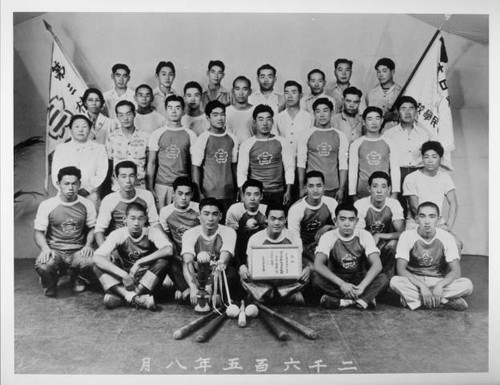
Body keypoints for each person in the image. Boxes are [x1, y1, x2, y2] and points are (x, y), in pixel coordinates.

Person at [389, 202, 473, 311]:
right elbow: (401, 269)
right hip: (414, 280)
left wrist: (440, 286)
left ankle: (416, 301)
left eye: (432, 216)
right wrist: (422, 286)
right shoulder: (406, 236)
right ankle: (444, 301)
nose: (427, 221)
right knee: (394, 282)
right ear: (416, 218)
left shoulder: (447, 237)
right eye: (422, 216)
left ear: (438, 220)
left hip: (438, 279)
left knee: (467, 285)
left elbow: (456, 271)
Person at [93, 202, 174, 311]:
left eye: (140, 218)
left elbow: (168, 250)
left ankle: (124, 297)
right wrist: (124, 275)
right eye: (132, 218)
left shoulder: (151, 232)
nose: (136, 223)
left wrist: (139, 262)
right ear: (124, 219)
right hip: (127, 279)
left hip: (147, 279)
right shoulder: (119, 234)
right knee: (97, 265)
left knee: (164, 262)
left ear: (145, 220)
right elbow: (97, 257)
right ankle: (137, 299)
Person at [34, 166, 97, 297]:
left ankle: (78, 276)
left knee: (93, 262)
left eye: (74, 183)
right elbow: (38, 232)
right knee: (44, 266)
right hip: (55, 251)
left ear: (79, 184)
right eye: (66, 183)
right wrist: (45, 248)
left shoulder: (87, 204)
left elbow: (92, 228)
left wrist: (88, 245)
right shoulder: (47, 205)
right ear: (58, 184)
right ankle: (50, 281)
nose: (70, 188)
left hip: (77, 251)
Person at [313, 203, 389, 310]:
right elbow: (318, 264)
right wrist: (342, 284)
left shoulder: (364, 235)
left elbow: (377, 265)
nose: (347, 224)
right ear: (335, 221)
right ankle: (363, 299)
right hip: (338, 278)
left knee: (383, 279)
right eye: (342, 219)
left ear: (356, 221)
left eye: (351, 219)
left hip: (358, 278)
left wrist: (362, 287)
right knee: (316, 280)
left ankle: (344, 302)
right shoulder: (328, 236)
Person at [239, 203, 308, 304]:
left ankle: (266, 295)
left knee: (306, 275)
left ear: (286, 220)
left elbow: (297, 265)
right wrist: (243, 267)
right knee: (243, 275)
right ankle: (283, 296)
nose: (277, 223)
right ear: (266, 219)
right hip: (264, 282)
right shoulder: (255, 238)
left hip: (284, 282)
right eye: (273, 219)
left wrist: (307, 269)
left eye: (280, 219)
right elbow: (250, 265)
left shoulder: (294, 238)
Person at [181, 198, 238, 307]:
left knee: (232, 273)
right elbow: (187, 262)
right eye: (206, 214)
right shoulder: (189, 233)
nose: (210, 219)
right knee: (176, 266)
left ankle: (188, 294)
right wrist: (193, 287)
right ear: (199, 215)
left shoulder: (229, 232)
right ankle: (192, 291)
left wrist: (214, 289)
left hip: (218, 273)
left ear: (220, 216)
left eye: (215, 214)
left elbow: (223, 261)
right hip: (197, 273)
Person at [383, 96, 433, 217]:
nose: (407, 112)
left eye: (411, 108)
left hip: (418, 173)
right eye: (403, 109)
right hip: (397, 174)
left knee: (419, 208)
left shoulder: (424, 134)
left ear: (416, 111)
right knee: (398, 210)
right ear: (398, 112)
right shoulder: (389, 134)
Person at [237, 104, 295, 206]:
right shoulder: (247, 144)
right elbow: (242, 171)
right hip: (256, 193)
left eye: (268, 119)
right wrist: (242, 193)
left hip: (278, 192)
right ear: (254, 122)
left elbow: (289, 167)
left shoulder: (282, 142)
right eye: (260, 119)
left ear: (272, 122)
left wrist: (289, 190)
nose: (265, 123)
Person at [147, 95, 197, 209]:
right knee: (162, 219)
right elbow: (151, 163)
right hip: (162, 185)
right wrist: (150, 188)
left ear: (183, 111)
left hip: (183, 187)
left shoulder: (191, 134)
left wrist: (193, 188)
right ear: (166, 110)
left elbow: (194, 165)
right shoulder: (157, 134)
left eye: (178, 108)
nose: (174, 111)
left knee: (181, 219)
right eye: (170, 107)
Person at [403, 141, 460, 239]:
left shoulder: (445, 178)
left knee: (457, 244)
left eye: (434, 157)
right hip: (416, 224)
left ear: (440, 159)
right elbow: (414, 207)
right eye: (426, 157)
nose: (430, 160)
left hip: (438, 223)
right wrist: (431, 227)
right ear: (422, 158)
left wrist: (448, 227)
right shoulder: (411, 178)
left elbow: (453, 204)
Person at [95, 161, 159, 246]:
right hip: (119, 243)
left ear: (136, 177)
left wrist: (167, 241)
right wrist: (105, 252)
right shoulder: (109, 199)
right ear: (116, 178)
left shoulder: (147, 195)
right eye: (123, 176)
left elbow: (154, 223)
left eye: (131, 176)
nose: (128, 181)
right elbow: (99, 230)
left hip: (142, 242)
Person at [51, 114, 108, 209]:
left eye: (84, 127)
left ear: (89, 129)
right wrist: (68, 190)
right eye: (77, 126)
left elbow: (102, 172)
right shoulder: (61, 148)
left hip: (90, 195)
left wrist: (88, 189)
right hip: (65, 195)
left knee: (90, 221)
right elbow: (55, 173)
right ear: (71, 130)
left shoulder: (99, 148)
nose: (81, 130)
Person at [191, 100, 238, 215]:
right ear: (208, 118)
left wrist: (237, 189)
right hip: (209, 193)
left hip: (229, 192)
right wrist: (199, 192)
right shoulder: (202, 139)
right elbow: (195, 168)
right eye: (215, 115)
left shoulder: (232, 138)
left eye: (222, 114)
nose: (220, 118)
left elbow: (234, 166)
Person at [297, 98, 348, 201]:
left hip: (333, 187)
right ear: (314, 114)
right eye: (318, 111)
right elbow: (301, 163)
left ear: (332, 112)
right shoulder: (306, 134)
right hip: (312, 187)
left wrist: (341, 188)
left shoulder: (340, 135)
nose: (321, 115)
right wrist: (302, 186)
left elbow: (343, 164)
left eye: (325, 110)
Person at [354, 171, 404, 277]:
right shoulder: (360, 204)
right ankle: (362, 276)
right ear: (369, 189)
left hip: (383, 243)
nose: (379, 191)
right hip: (364, 243)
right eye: (375, 186)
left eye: (383, 186)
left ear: (389, 190)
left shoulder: (394, 204)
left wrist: (380, 235)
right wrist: (371, 242)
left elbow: (401, 233)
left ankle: (387, 279)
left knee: (394, 245)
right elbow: (358, 233)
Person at [159, 177, 200, 300]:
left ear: (192, 194)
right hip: (178, 255)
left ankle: (186, 291)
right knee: (170, 263)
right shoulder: (165, 212)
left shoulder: (198, 209)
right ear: (173, 194)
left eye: (187, 194)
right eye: (180, 193)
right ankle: (185, 290)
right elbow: (166, 236)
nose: (183, 198)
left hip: (197, 255)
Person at [288, 171, 337, 271]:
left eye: (319, 185)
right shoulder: (296, 209)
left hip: (323, 244)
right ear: (306, 188)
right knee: (316, 269)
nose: (315, 190)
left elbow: (341, 228)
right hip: (305, 248)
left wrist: (329, 227)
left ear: (324, 186)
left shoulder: (331, 202)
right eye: (311, 186)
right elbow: (295, 242)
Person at [348, 106, 400, 200]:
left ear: (381, 120)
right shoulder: (356, 144)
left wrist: (395, 192)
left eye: (377, 118)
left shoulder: (390, 142)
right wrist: (353, 194)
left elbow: (395, 169)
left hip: (384, 192)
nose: (374, 122)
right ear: (364, 122)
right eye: (370, 119)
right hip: (363, 192)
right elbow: (353, 171)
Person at [106, 100, 149, 191]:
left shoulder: (145, 137)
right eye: (121, 115)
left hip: (140, 186)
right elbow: (109, 165)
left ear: (134, 114)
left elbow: (150, 165)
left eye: (128, 114)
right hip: (117, 187)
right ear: (117, 116)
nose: (125, 118)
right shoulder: (112, 137)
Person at [225, 179, 267, 268]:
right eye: (248, 194)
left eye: (256, 194)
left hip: (261, 248)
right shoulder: (234, 210)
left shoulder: (266, 211)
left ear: (261, 196)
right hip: (241, 247)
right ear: (243, 196)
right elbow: (231, 238)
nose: (252, 198)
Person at [274, 80, 314, 157]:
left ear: (301, 95)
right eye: (286, 93)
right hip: (283, 161)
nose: (290, 96)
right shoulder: (277, 118)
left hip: (304, 160)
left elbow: (312, 142)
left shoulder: (309, 118)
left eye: (294, 92)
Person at [366, 58, 402, 130]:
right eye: (378, 72)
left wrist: (394, 116)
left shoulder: (401, 92)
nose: (381, 75)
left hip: (395, 133)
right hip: (376, 133)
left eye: (384, 71)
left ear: (392, 72)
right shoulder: (371, 94)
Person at [226, 76, 254, 144]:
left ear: (250, 91)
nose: (241, 93)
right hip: (231, 151)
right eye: (237, 89)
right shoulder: (225, 111)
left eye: (244, 89)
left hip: (252, 150)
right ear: (232, 91)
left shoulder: (256, 111)